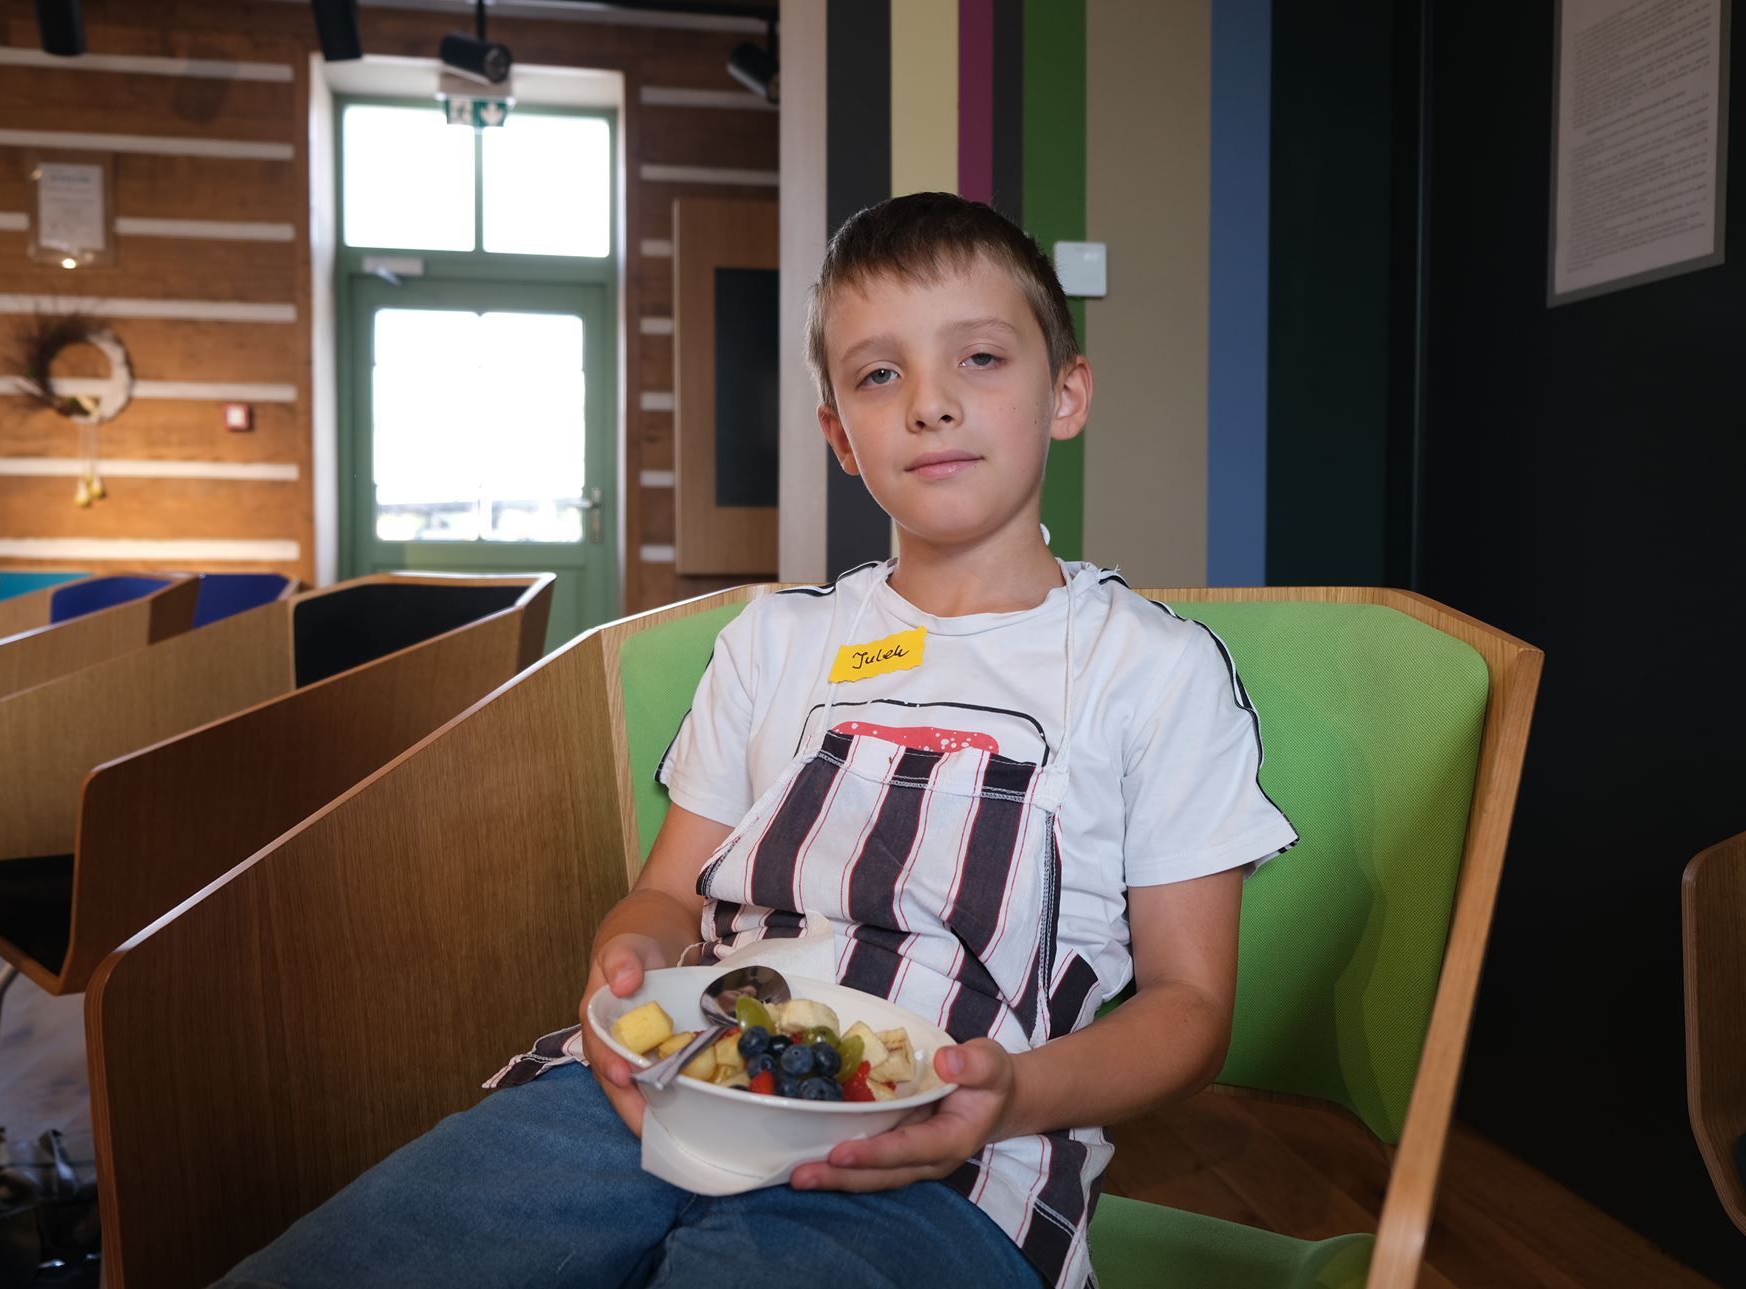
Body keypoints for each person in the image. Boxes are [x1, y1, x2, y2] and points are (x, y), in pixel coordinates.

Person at [214, 191, 1298, 1289]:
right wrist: (624, 967)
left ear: (1065, 392)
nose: (929, 404)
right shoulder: (775, 641)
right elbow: (666, 897)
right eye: (879, 374)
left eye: (978, 358)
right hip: (677, 1082)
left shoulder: (1152, 669)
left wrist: (1010, 1093)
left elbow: (1189, 1007)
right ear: (838, 434)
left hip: (952, 1166)